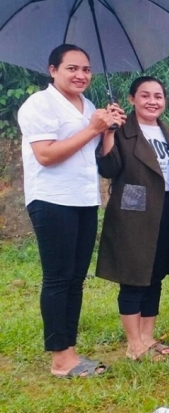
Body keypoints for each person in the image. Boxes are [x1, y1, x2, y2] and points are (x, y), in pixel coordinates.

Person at [17, 44, 125, 377]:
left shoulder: (89, 106)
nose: (81, 75)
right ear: (53, 70)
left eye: (86, 70)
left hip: (84, 199)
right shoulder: (39, 104)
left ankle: (71, 352)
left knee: (76, 279)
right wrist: (92, 128)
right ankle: (60, 359)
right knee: (58, 278)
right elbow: (46, 155)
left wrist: (107, 131)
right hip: (51, 199)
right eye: (72, 68)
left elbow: (99, 158)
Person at [96, 76, 169, 361]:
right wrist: (108, 133)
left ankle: (148, 336)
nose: (152, 101)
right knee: (134, 278)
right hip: (134, 213)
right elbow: (109, 168)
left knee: (155, 275)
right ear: (132, 99)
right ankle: (134, 344)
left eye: (158, 96)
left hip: (165, 209)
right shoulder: (123, 131)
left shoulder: (168, 131)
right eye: (144, 95)